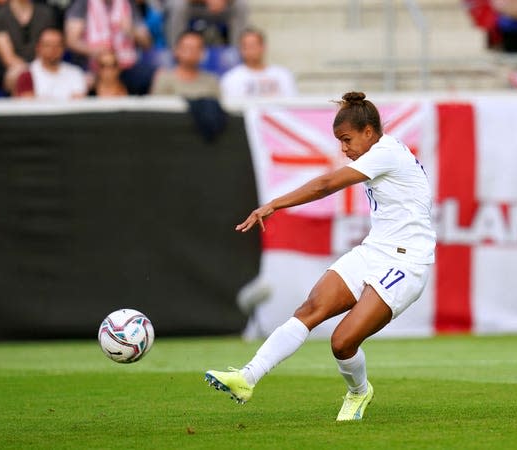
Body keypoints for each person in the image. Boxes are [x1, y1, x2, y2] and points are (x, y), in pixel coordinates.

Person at [205, 92, 436, 421]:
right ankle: (247, 378)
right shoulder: (382, 150)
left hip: (407, 262)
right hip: (375, 250)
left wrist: (274, 204)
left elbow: (327, 183)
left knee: (342, 342)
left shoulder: (385, 152)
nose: (343, 148)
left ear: (369, 131)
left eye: (346, 139)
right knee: (310, 309)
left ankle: (359, 391)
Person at [64, 0, 154, 95]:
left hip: (126, 65)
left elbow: (147, 43)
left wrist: (132, 31)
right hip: (90, 65)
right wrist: (95, 51)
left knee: (148, 76)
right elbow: (71, 41)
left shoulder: (128, 4)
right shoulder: (82, 4)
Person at [0, 0, 56, 95]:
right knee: (18, 75)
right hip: (10, 69)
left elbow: (49, 45)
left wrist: (38, 69)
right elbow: (8, 57)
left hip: (42, 65)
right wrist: (30, 72)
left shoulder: (46, 13)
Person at [219, 26, 297, 102]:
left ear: (263, 47)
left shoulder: (282, 74)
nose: (250, 50)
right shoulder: (231, 78)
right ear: (240, 49)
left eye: (254, 45)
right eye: (246, 46)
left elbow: (293, 104)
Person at [17, 28, 87, 99]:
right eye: (48, 45)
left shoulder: (75, 73)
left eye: (57, 45)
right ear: (38, 47)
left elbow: (78, 104)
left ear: (63, 48)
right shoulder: (27, 74)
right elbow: (27, 105)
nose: (53, 49)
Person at [149, 30, 219, 97]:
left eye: (197, 48)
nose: (192, 52)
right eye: (187, 48)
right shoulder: (164, 79)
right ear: (176, 50)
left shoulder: (212, 81)